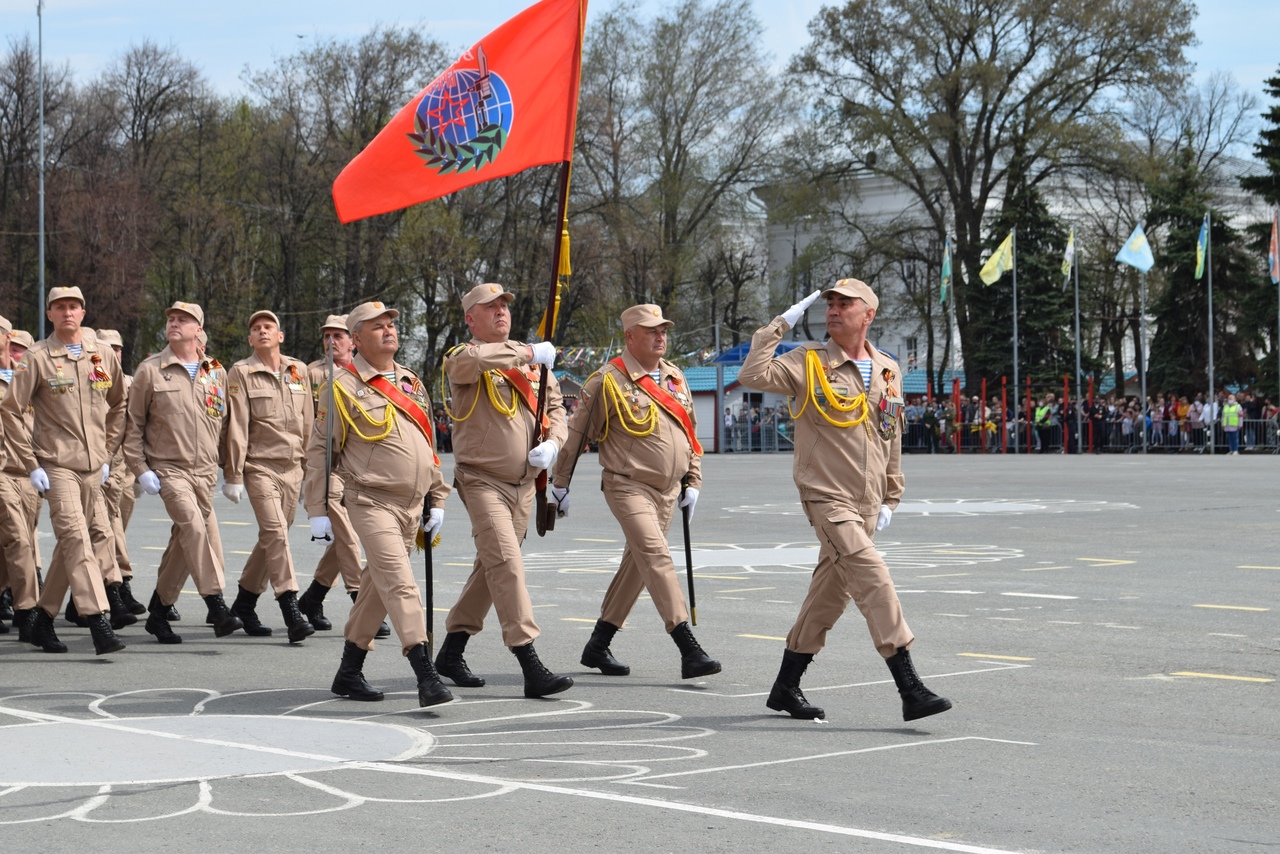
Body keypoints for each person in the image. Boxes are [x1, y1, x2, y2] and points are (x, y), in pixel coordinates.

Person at [738, 280, 951, 722]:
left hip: (868, 502)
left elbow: (891, 436)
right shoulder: (808, 361)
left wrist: (892, 495)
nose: (833, 311)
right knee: (874, 577)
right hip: (826, 497)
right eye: (830, 304)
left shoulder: (888, 369)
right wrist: (780, 325)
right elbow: (753, 375)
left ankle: (786, 685)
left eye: (844, 304)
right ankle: (909, 685)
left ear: (868, 313)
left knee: (827, 597)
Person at [551, 304, 720, 680]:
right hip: (628, 485)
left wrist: (693, 480)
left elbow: (689, 432)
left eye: (663, 330)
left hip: (667, 490)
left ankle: (599, 643)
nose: (660, 336)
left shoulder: (675, 377)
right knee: (656, 556)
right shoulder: (606, 381)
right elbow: (578, 435)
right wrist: (559, 484)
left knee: (638, 567)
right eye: (651, 331)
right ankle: (686, 646)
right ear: (630, 336)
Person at [305, 301, 453, 709]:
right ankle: (426, 674)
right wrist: (317, 509)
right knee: (400, 583)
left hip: (411, 504)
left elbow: (428, 446)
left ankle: (349, 671)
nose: (388, 331)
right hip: (370, 501)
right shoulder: (341, 387)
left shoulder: (410, 382)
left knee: (376, 587)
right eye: (376, 327)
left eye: (390, 324)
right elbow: (321, 451)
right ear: (355, 339)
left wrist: (436, 497)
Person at [435, 282, 573, 698]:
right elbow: (475, 361)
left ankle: (452, 649)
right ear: (469, 318)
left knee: (491, 568)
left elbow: (556, 410)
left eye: (504, 306)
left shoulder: (533, 364)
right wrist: (530, 352)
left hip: (524, 487)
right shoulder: (463, 357)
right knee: (508, 566)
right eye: (489, 307)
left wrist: (554, 443)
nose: (500, 312)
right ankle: (529, 660)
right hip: (482, 481)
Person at [0, 287, 128, 655]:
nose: (67, 313)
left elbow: (120, 403)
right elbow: (10, 409)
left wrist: (106, 452)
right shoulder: (37, 357)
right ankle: (98, 620)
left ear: (83, 313)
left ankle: (42, 621)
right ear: (50, 314)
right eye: (60, 308)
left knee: (66, 548)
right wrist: (31, 463)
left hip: (93, 468)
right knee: (76, 538)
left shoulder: (101, 354)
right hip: (56, 466)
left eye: (73, 307)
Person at [124, 301, 243, 643]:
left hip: (205, 473)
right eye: (171, 319)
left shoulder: (215, 371)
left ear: (198, 330)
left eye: (183, 319)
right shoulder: (151, 370)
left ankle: (159, 613)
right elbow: (132, 426)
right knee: (192, 526)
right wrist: (140, 469)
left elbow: (225, 426)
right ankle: (216, 604)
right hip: (168, 469)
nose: (174, 323)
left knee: (182, 543)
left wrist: (231, 473)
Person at [222, 310, 316, 643]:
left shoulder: (298, 370)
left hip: (294, 467)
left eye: (268, 327)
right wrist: (233, 473)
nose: (262, 331)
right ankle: (290, 607)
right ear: (250, 339)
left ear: (280, 336)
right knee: (276, 532)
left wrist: (310, 471)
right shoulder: (241, 372)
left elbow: (308, 422)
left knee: (272, 539)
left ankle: (244, 603)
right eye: (255, 329)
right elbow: (237, 425)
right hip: (259, 466)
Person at [296, 315, 383, 636]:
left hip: (359, 466)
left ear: (353, 340)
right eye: (326, 336)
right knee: (345, 531)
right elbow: (305, 420)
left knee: (347, 536)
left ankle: (313, 598)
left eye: (338, 335)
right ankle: (359, 597)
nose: (331, 341)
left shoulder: (368, 372)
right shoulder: (312, 373)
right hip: (326, 464)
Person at [94, 329, 146, 616]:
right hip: (98, 464)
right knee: (106, 528)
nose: (114, 353)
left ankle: (100, 589)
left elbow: (139, 425)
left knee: (117, 529)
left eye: (118, 349)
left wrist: (138, 473)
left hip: (124, 467)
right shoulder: (92, 379)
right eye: (107, 348)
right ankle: (119, 584)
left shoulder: (129, 383)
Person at [0, 315, 43, 640]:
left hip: (28, 474)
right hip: (1, 474)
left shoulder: (24, 378)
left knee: (12, 547)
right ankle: (28, 611)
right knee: (19, 541)